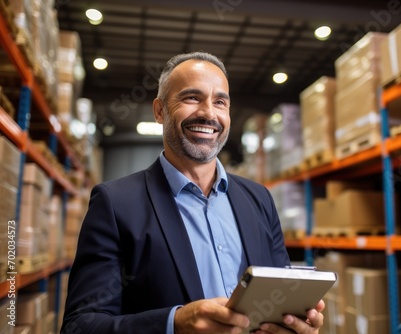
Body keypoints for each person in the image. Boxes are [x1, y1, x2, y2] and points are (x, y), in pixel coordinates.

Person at [61, 51, 325, 334]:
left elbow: (280, 293)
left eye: (220, 102)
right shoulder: (115, 204)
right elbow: (81, 325)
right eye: (192, 98)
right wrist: (174, 323)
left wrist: (294, 324)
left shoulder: (258, 198)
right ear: (160, 110)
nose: (208, 113)